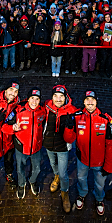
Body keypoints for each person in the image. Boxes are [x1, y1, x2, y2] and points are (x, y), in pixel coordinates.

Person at [64, 90, 112, 216]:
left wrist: (108, 166)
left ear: (96, 102)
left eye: (92, 99)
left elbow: (111, 145)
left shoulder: (106, 119)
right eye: (87, 99)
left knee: (100, 184)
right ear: (83, 102)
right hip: (82, 159)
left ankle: (99, 199)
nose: (90, 102)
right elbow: (69, 139)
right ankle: (82, 194)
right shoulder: (77, 117)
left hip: (99, 162)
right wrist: (69, 127)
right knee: (81, 179)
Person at [4, 87, 47, 199]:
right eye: (32, 98)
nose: (34, 101)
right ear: (27, 99)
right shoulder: (18, 110)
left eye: (37, 99)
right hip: (21, 147)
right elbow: (4, 126)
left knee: (37, 169)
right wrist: (12, 128)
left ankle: (32, 181)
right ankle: (21, 184)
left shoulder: (42, 111)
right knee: (20, 169)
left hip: (36, 147)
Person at [43, 85, 77, 213]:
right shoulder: (47, 106)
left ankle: (64, 192)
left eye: (61, 96)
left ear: (66, 97)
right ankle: (56, 176)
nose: (58, 99)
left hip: (63, 147)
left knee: (64, 173)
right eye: (55, 96)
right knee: (53, 164)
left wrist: (70, 128)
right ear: (52, 97)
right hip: (49, 144)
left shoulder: (72, 111)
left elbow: (73, 137)